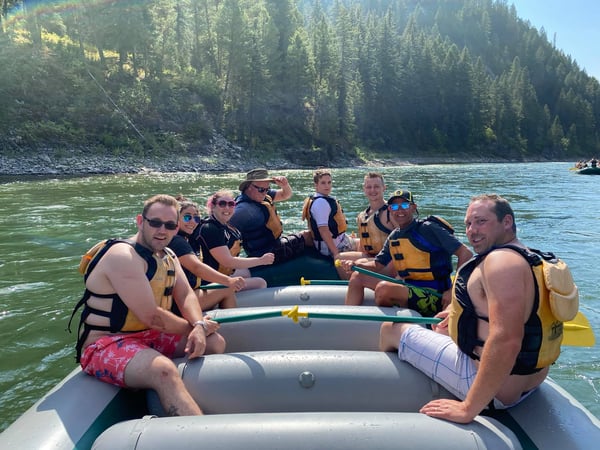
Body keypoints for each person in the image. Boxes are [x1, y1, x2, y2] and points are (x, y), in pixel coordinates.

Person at [379, 194, 561, 424]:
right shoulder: (529, 256)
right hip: (531, 382)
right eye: (468, 224)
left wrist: (468, 408)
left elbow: (507, 340)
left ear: (506, 222)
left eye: (481, 221)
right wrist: (455, 314)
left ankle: (388, 388)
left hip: (494, 390)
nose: (472, 230)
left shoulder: (500, 263)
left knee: (391, 328)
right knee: (441, 329)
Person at [70, 194, 225, 416]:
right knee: (163, 370)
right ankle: (197, 432)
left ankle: (196, 401)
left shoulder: (168, 255)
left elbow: (186, 295)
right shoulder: (123, 256)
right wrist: (194, 329)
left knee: (214, 342)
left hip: (147, 336)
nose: (162, 230)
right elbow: (150, 316)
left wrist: (199, 325)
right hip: (104, 344)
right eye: (155, 223)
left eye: (170, 225)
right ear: (140, 221)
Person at [341, 190, 472, 316]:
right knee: (358, 276)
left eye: (404, 205)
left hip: (435, 294)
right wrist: (355, 265)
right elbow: (378, 265)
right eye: (394, 206)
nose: (399, 210)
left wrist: (452, 291)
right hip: (409, 287)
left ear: (413, 208)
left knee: (384, 289)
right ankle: (350, 320)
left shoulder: (428, 228)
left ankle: (396, 320)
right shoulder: (394, 236)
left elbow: (465, 253)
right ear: (390, 209)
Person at [168, 196, 244, 309]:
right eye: (187, 217)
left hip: (189, 293)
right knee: (226, 287)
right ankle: (233, 326)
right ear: (176, 218)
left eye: (196, 218)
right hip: (179, 302)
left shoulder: (188, 239)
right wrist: (228, 280)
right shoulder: (177, 241)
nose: (193, 222)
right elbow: (196, 267)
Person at [193, 189, 274, 290]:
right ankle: (225, 301)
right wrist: (261, 260)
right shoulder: (210, 229)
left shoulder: (224, 227)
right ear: (213, 207)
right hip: (206, 280)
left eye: (231, 204)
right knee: (260, 283)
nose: (227, 208)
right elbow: (228, 262)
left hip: (216, 271)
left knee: (246, 272)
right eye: (222, 204)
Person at [229, 168, 312, 264]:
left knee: (309, 234)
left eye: (267, 189)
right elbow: (226, 232)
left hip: (274, 245)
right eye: (261, 190)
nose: (264, 193)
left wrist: (285, 185)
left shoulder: (261, 195)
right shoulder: (243, 210)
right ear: (249, 187)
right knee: (307, 236)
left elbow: (285, 195)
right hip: (266, 253)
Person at [337, 172, 395, 277]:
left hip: (388, 261)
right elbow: (363, 246)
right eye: (369, 187)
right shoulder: (362, 216)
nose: (372, 190)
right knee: (339, 258)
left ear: (384, 188)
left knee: (361, 264)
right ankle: (349, 287)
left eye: (376, 186)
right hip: (370, 256)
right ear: (364, 189)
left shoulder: (390, 212)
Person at [302, 168, 355, 260]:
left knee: (365, 243)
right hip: (331, 248)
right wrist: (336, 254)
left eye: (329, 182)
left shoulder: (321, 199)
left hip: (340, 241)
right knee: (366, 253)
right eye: (323, 183)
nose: (327, 186)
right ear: (316, 185)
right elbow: (324, 231)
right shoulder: (321, 203)